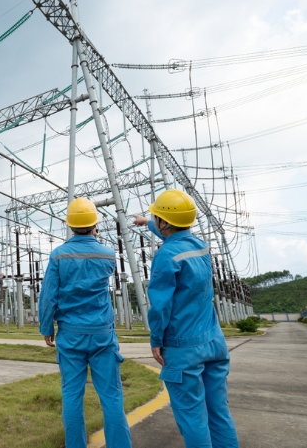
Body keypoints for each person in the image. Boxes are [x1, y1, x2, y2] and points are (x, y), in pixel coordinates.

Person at [133, 189, 239, 448]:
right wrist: (146, 223)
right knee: (219, 412)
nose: (154, 219)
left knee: (192, 418)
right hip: (214, 342)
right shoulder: (200, 246)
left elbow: (160, 306)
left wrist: (156, 339)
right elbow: (176, 236)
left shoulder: (166, 256)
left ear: (165, 222)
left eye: (155, 216)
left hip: (183, 349)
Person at [40, 198, 131, 448]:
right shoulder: (108, 255)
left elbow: (49, 295)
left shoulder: (58, 256)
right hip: (102, 333)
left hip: (70, 335)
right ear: (95, 225)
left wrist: (46, 327)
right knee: (111, 397)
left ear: (69, 225)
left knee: (71, 396)